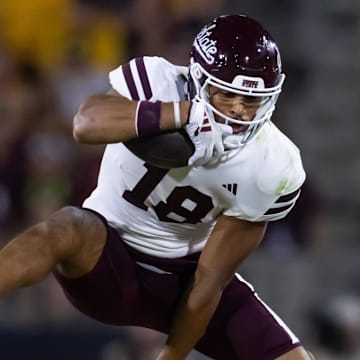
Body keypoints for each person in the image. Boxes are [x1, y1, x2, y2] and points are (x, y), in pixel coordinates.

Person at [0, 14, 312, 359]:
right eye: (227, 95)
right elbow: (85, 124)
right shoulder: (158, 81)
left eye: (251, 100)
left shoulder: (274, 163)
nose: (239, 112)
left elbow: (209, 282)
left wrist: (170, 357)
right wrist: (180, 114)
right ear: (197, 80)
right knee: (68, 225)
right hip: (107, 261)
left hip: (185, 279)